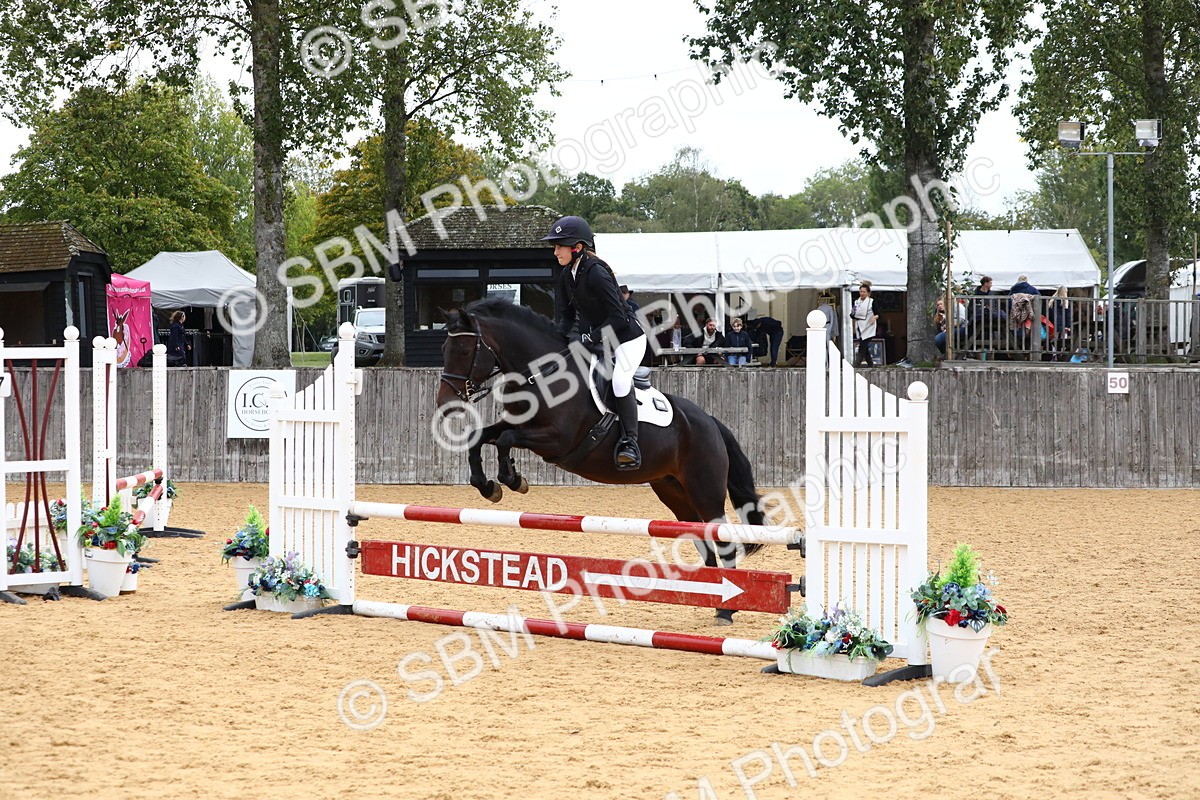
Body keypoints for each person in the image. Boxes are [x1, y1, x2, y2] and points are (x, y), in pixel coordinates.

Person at [544, 215, 647, 471]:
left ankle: (630, 443)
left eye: (559, 245)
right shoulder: (567, 275)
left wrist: (588, 338)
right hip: (601, 340)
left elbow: (619, 318)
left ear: (577, 247)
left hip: (627, 339)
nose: (555, 251)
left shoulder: (597, 272)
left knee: (620, 380)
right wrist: (556, 344)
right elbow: (566, 317)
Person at [851, 282, 878, 367]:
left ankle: (856, 364)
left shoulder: (871, 302)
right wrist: (854, 313)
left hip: (869, 326)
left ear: (868, 293)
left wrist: (874, 317)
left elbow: (878, 313)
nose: (862, 293)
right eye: (861, 292)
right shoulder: (856, 302)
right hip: (860, 326)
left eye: (864, 292)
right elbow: (852, 314)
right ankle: (870, 364)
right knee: (864, 346)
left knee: (862, 345)